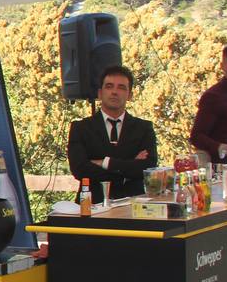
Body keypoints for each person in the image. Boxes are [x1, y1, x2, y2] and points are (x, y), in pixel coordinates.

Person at [67, 64, 158, 204]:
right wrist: (128, 169)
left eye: (121, 87)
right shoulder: (81, 128)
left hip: (133, 205)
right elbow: (80, 169)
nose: (114, 92)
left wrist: (104, 162)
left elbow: (147, 167)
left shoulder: (143, 128)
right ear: (99, 93)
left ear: (130, 95)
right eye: (109, 86)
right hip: (91, 206)